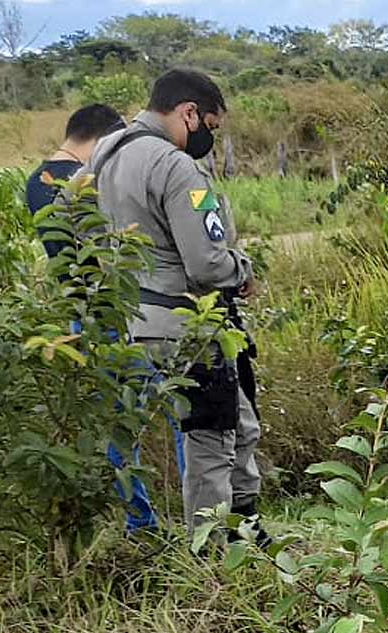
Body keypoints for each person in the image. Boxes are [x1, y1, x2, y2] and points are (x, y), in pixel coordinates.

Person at [69, 70, 267, 544]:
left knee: (238, 423)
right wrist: (241, 270)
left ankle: (247, 531)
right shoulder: (175, 166)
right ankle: (213, 554)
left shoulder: (106, 152)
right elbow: (206, 263)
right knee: (211, 439)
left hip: (137, 321)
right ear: (189, 113)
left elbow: (68, 212)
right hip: (188, 324)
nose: (208, 140)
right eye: (210, 128)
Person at [27, 104, 172, 535]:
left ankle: (139, 521)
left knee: (119, 427)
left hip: (83, 318)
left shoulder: (36, 182)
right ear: (100, 138)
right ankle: (157, 521)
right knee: (175, 414)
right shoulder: (77, 183)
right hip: (116, 315)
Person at [26, 104, 126, 258]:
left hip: (67, 280)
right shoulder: (86, 181)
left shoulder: (35, 181)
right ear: (107, 140)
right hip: (99, 279)